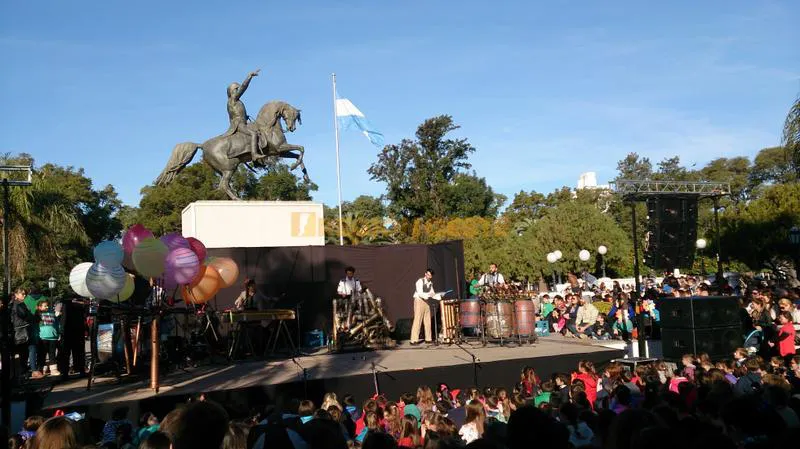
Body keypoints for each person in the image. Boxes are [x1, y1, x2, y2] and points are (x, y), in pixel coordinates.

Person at [223, 69, 263, 163]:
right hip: (239, 124)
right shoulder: (233, 99)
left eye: (237, 89)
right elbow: (243, 87)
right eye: (236, 89)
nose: (237, 90)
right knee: (253, 134)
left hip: (242, 122)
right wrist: (249, 77)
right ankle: (254, 156)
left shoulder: (234, 102)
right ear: (232, 91)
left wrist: (245, 117)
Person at [12, 287, 42, 379]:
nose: (24, 295)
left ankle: (25, 371)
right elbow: (25, 316)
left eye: (25, 294)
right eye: (22, 294)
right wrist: (36, 316)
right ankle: (32, 370)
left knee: (25, 351)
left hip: (23, 330)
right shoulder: (18, 305)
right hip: (22, 331)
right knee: (30, 349)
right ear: (16, 295)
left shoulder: (20, 304)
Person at [410, 269, 440, 346]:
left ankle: (428, 339)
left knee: (427, 320)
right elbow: (420, 293)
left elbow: (432, 293)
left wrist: (438, 296)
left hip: (426, 302)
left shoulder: (430, 283)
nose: (429, 276)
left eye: (430, 275)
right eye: (428, 274)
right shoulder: (420, 281)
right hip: (419, 300)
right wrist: (428, 295)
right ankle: (414, 340)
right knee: (418, 319)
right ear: (425, 274)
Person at [36, 299, 59, 376]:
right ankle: (41, 369)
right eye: (45, 306)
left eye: (47, 305)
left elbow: (56, 324)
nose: (47, 307)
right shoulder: (37, 315)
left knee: (52, 354)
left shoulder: (52, 313)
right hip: (42, 337)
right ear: (39, 307)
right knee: (42, 354)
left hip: (52, 337)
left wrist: (58, 333)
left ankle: (53, 369)